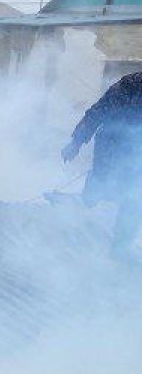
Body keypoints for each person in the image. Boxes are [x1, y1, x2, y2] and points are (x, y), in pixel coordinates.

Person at [62, 72, 142, 261]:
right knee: (100, 188)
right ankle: (73, 227)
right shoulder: (131, 85)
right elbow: (99, 111)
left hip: (137, 153)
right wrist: (76, 142)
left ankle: (120, 247)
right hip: (111, 146)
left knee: (134, 197)